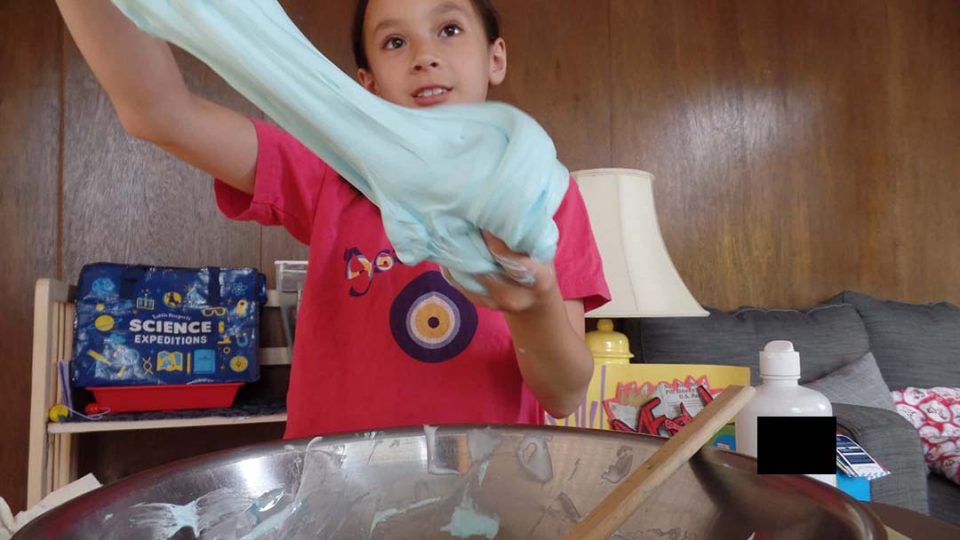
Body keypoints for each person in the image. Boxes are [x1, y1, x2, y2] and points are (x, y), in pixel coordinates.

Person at [56, 0, 610, 438]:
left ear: (496, 56)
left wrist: (533, 305)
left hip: (493, 502)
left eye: (448, 29)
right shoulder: (330, 178)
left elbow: (564, 395)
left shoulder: (548, 198)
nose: (423, 55)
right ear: (366, 84)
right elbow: (160, 112)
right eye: (395, 41)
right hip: (338, 503)